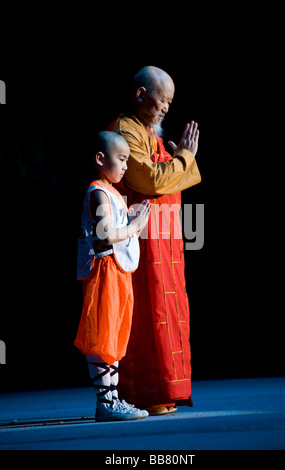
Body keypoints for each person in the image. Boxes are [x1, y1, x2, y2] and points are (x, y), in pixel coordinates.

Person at [107, 66, 201, 415]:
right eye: (163, 99)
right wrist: (185, 158)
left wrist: (172, 156)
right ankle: (145, 391)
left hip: (161, 238)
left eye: (171, 102)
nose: (166, 108)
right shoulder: (125, 130)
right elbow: (147, 180)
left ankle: (165, 387)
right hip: (139, 236)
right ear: (141, 94)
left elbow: (160, 168)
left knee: (168, 309)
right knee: (148, 311)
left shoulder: (148, 132)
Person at [74, 131, 150, 421]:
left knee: (115, 337)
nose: (126, 166)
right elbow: (106, 237)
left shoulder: (114, 193)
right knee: (102, 336)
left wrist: (131, 219)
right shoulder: (98, 192)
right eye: (121, 159)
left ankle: (112, 400)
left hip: (118, 273)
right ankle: (106, 403)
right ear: (100, 159)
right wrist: (133, 227)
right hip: (104, 272)